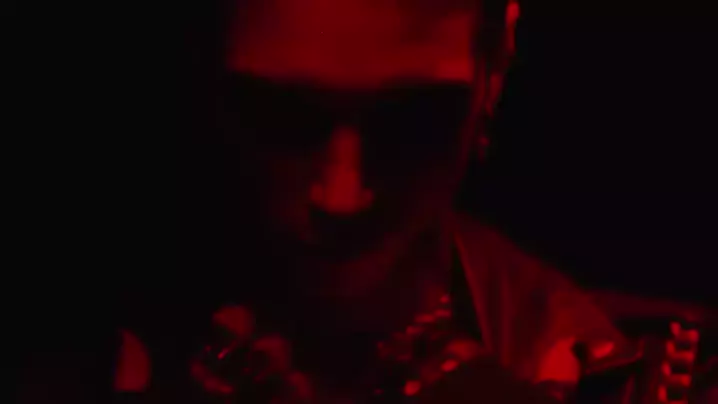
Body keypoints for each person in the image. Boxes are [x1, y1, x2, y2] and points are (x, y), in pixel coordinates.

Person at [17, 0, 633, 403]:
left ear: (493, 72)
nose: (342, 198)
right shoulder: (66, 344)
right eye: (282, 115)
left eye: (410, 121)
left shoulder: (587, 366)